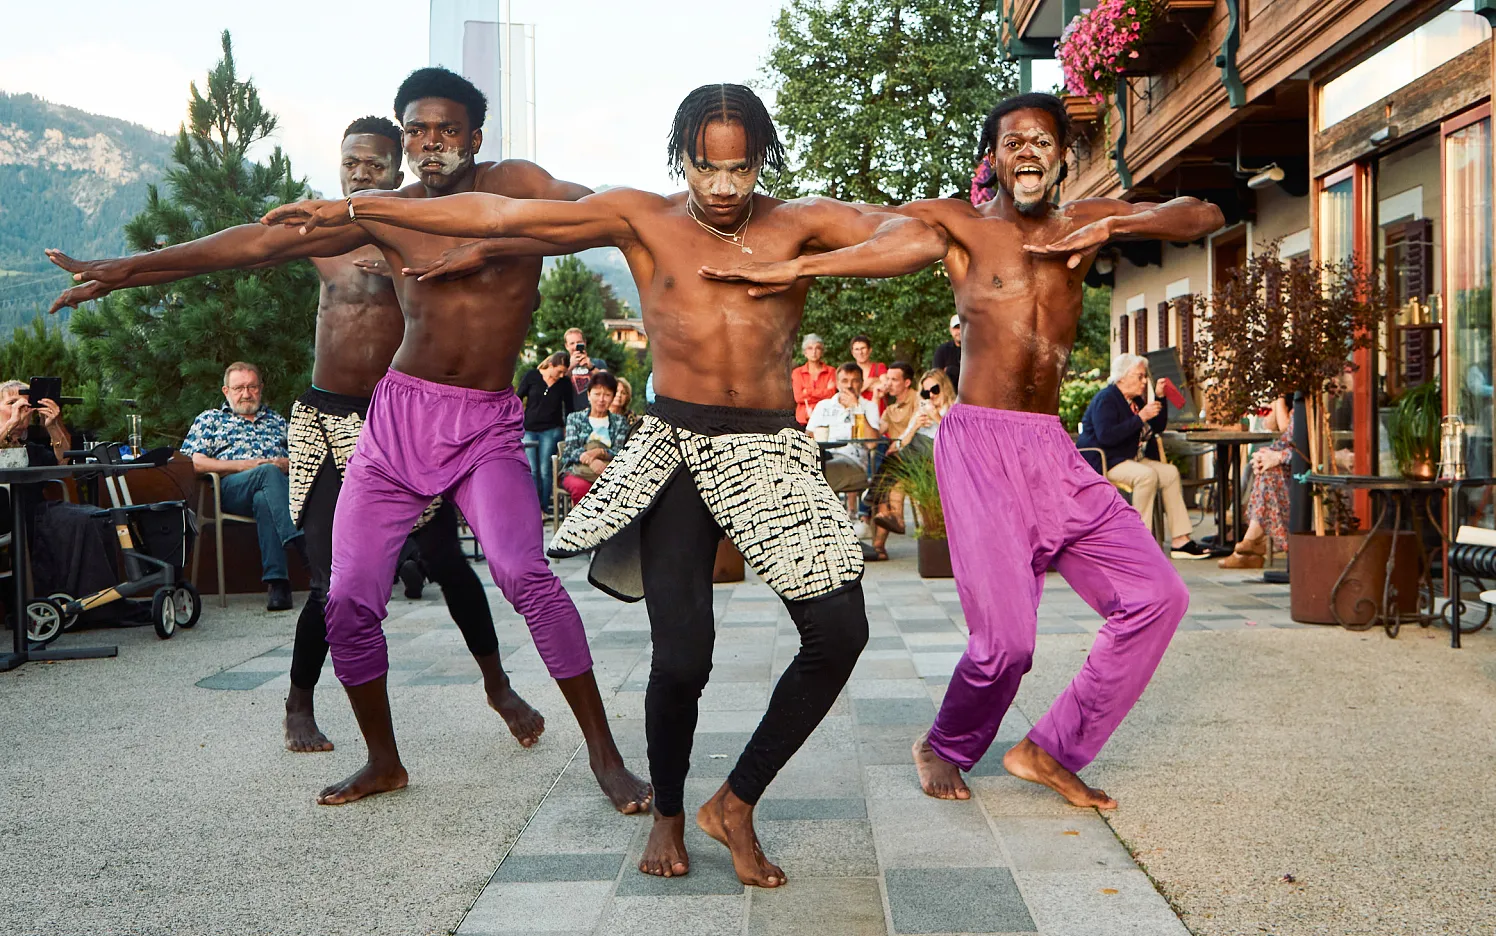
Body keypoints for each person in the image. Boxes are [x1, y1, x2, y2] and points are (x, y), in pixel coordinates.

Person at [264, 82, 947, 886]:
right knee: (683, 657)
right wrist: (355, 211)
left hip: (768, 445)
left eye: (741, 168)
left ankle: (735, 801)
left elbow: (918, 235)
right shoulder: (645, 217)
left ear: (763, 160)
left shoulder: (798, 222)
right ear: (681, 158)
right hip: (676, 444)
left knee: (840, 630)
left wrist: (809, 264)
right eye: (706, 167)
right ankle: (668, 813)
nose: (724, 186)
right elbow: (502, 215)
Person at [52, 70, 648, 813]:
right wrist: (125, 271)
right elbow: (255, 243)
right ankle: (384, 760)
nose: (431, 142)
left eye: (447, 129)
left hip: (485, 425)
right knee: (346, 596)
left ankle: (605, 755)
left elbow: (609, 216)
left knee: (522, 572)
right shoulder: (389, 212)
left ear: (475, 136)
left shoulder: (516, 183)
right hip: (397, 420)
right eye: (417, 129)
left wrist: (493, 242)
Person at [702, 92, 1223, 809]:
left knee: (1157, 597)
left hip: (1052, 449)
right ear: (993, 158)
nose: (1028, 152)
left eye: (1042, 141)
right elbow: (882, 244)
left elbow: (1203, 214)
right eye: (1013, 142)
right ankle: (945, 743)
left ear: (1063, 156)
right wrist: (798, 270)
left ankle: (1050, 749)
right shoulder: (963, 226)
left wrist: (1115, 222)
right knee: (1006, 643)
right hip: (980, 445)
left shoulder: (1087, 220)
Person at [179, 362, 301, 612]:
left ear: (261, 388)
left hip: (274, 492)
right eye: (239, 388)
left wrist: (283, 463)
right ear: (226, 391)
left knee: (264, 498)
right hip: (231, 490)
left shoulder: (277, 422)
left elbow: (302, 458)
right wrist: (245, 466)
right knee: (266, 473)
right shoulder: (211, 419)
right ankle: (297, 540)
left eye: (252, 387)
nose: (246, 394)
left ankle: (278, 584)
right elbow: (195, 462)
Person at [1077, 354, 1211, 559]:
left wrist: (1160, 398)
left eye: (1144, 376)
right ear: (1122, 377)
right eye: (1139, 376)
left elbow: (1157, 427)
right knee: (1146, 476)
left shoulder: (1135, 400)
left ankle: (1180, 540)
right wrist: (1140, 418)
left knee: (1169, 473)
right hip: (1106, 460)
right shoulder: (1106, 399)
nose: (1144, 381)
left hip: (1131, 458)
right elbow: (1106, 436)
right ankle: (1140, 542)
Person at [867, 368, 953, 557]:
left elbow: (954, 439)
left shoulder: (953, 408)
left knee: (892, 463)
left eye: (935, 390)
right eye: (926, 392)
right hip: (914, 458)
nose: (931, 395)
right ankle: (893, 521)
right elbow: (903, 441)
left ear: (944, 388)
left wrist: (936, 417)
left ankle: (872, 501)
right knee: (894, 476)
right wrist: (915, 426)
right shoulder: (921, 409)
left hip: (935, 459)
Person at [1219, 396, 1291, 569]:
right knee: (1259, 468)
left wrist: (1280, 400)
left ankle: (1250, 541)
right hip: (1288, 466)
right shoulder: (1291, 401)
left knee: (1267, 473)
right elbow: (1271, 426)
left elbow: (1288, 432)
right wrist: (1266, 454)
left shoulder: (1305, 404)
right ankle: (1252, 544)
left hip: (1301, 470)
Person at [807, 362, 881, 497]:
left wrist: (857, 408)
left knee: (819, 477)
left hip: (853, 461)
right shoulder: (823, 406)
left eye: (855, 381)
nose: (849, 386)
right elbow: (808, 437)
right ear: (837, 383)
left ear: (861, 383)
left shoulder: (869, 407)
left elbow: (872, 444)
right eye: (845, 381)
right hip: (822, 457)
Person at [560, 371, 632, 503]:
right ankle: (581, 517)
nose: (601, 399)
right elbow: (570, 451)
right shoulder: (575, 418)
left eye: (607, 395)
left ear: (612, 397)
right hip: (577, 471)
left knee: (619, 490)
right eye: (597, 394)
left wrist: (600, 452)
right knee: (582, 488)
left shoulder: (619, 422)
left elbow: (620, 452)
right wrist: (591, 461)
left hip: (608, 471)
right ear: (588, 395)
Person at [517, 350, 575, 511]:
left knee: (545, 470)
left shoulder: (564, 384)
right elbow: (518, 397)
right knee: (532, 469)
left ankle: (543, 507)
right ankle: (533, 507)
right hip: (529, 429)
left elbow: (569, 409)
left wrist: (568, 429)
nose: (561, 375)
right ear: (550, 365)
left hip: (551, 430)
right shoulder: (532, 376)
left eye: (564, 372)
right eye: (559, 371)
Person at [0, 380, 71, 467]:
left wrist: (52, 426)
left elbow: (63, 460)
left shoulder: (33, 451)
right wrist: (11, 424)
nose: (19, 408)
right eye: (12, 403)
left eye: (27, 405)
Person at [791, 333, 836, 426]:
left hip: (825, 419)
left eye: (817, 348)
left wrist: (807, 392)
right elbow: (798, 397)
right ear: (805, 352)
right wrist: (824, 392)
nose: (814, 352)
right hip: (803, 421)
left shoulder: (831, 371)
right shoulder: (797, 373)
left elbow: (831, 396)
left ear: (822, 351)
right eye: (810, 348)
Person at [564, 327, 609, 410]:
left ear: (584, 343)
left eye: (579, 342)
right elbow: (557, 383)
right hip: (571, 411)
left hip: (595, 411)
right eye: (572, 343)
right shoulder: (563, 366)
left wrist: (591, 367)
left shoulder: (598, 363)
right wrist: (570, 366)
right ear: (566, 346)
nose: (575, 346)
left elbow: (607, 383)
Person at [849, 335, 887, 409]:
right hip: (858, 412)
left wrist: (861, 386)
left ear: (870, 350)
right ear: (852, 353)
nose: (860, 352)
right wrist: (873, 381)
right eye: (857, 349)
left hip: (879, 412)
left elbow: (885, 387)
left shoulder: (879, 367)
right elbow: (848, 393)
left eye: (863, 348)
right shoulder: (850, 371)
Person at [932, 314, 962, 389]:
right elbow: (937, 377)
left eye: (962, 327)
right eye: (956, 328)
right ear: (950, 330)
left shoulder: (977, 350)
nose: (959, 331)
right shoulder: (942, 351)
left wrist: (951, 370)